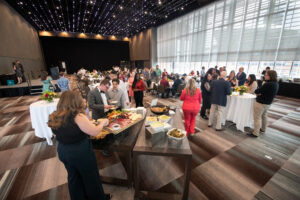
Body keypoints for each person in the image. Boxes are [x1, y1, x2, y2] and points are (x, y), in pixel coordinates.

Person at [48, 91, 111, 200]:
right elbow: (94, 132)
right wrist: (103, 122)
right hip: (80, 152)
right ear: (75, 101)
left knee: (73, 177)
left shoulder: (54, 115)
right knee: (91, 177)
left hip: (63, 150)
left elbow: (54, 134)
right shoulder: (77, 116)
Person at [249, 70, 278, 137]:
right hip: (268, 103)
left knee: (257, 118)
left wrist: (259, 93)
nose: (264, 76)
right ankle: (263, 129)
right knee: (264, 116)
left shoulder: (268, 84)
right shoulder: (276, 83)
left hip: (261, 103)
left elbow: (257, 91)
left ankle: (255, 133)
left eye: (266, 75)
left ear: (270, 76)